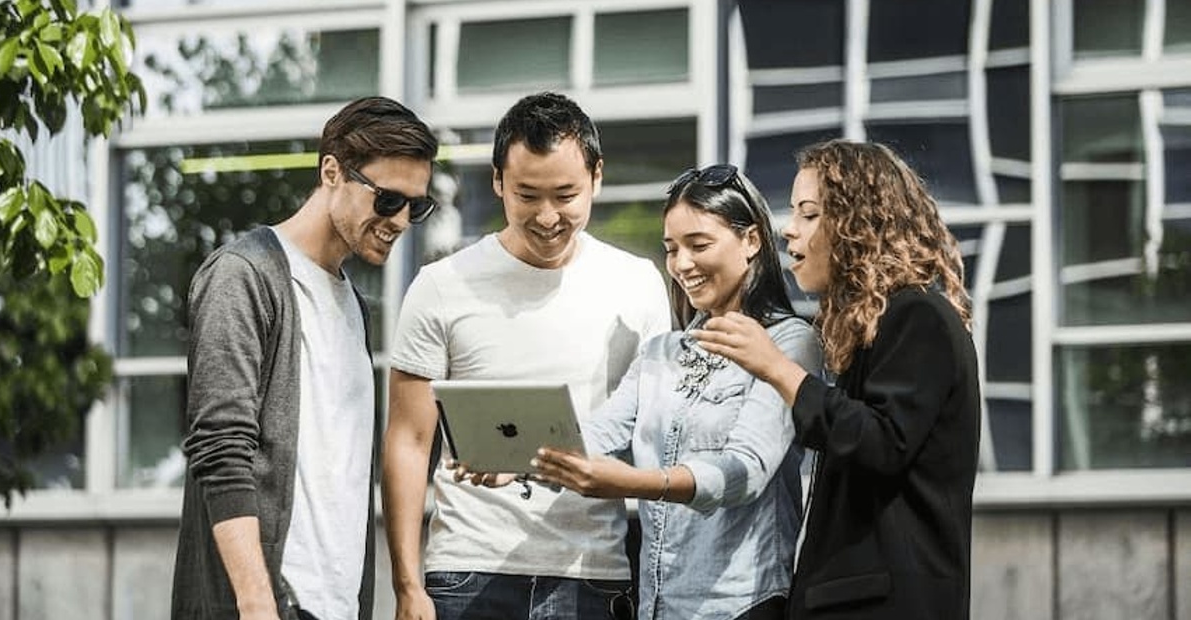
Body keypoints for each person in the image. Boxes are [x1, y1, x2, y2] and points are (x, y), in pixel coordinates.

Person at [382, 91, 671, 620]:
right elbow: (408, 439)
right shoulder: (441, 286)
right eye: (527, 195)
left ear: (596, 177)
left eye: (565, 195)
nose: (546, 217)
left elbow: (654, 437)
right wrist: (407, 585)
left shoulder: (638, 285)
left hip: (595, 570)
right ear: (497, 182)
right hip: (467, 568)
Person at [171, 96, 440, 620]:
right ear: (332, 171)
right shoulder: (244, 276)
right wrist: (255, 603)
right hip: (268, 605)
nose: (401, 220)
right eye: (387, 199)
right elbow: (221, 449)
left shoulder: (354, 307)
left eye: (416, 206)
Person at [691, 139, 981, 620]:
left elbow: (881, 443)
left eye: (809, 214)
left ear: (858, 224)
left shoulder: (917, 315)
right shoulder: (873, 326)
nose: (789, 232)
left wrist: (779, 369)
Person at [530, 163, 823, 620]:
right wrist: (522, 458)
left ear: (751, 241)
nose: (682, 264)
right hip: (658, 605)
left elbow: (745, 471)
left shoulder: (789, 344)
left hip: (741, 604)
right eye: (671, 249)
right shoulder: (661, 351)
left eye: (698, 244)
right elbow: (602, 431)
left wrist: (634, 483)